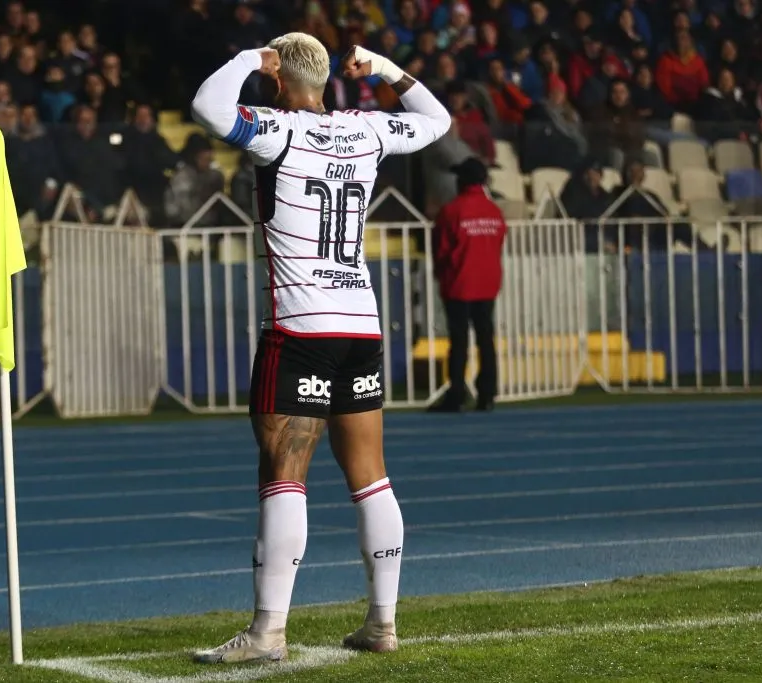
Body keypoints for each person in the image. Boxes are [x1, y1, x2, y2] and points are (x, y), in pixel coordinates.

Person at [189, 34, 450, 663]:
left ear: (280, 80)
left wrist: (251, 58)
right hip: (360, 322)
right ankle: (382, 623)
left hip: (300, 328)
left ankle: (267, 632)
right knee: (371, 477)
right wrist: (385, 67)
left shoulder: (276, 130)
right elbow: (437, 120)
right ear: (328, 79)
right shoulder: (365, 131)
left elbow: (207, 106)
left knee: (284, 476)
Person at [429, 157, 507, 412]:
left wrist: (442, 275)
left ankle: (457, 394)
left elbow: (440, 250)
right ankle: (487, 394)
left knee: (459, 341)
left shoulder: (452, 211)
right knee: (486, 339)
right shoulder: (494, 211)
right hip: (488, 284)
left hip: (459, 284)